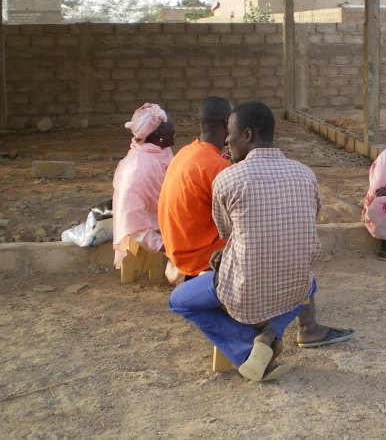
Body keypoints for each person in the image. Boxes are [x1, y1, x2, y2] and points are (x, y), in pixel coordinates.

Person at [168, 101, 354, 381]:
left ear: (246, 134)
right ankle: (271, 335)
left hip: (243, 295)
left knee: (178, 301)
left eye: (229, 135)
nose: (227, 143)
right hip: (295, 285)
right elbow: (307, 220)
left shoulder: (228, 178)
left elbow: (226, 232)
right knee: (308, 283)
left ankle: (245, 348)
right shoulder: (306, 174)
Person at [158, 97, 233, 283]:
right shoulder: (217, 165)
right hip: (199, 260)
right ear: (227, 123)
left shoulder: (185, 152)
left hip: (177, 252)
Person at [112, 103, 176, 269]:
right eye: (171, 125)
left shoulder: (161, 152)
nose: (175, 129)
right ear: (159, 133)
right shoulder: (139, 168)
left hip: (164, 218)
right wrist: (162, 244)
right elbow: (131, 214)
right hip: (147, 228)